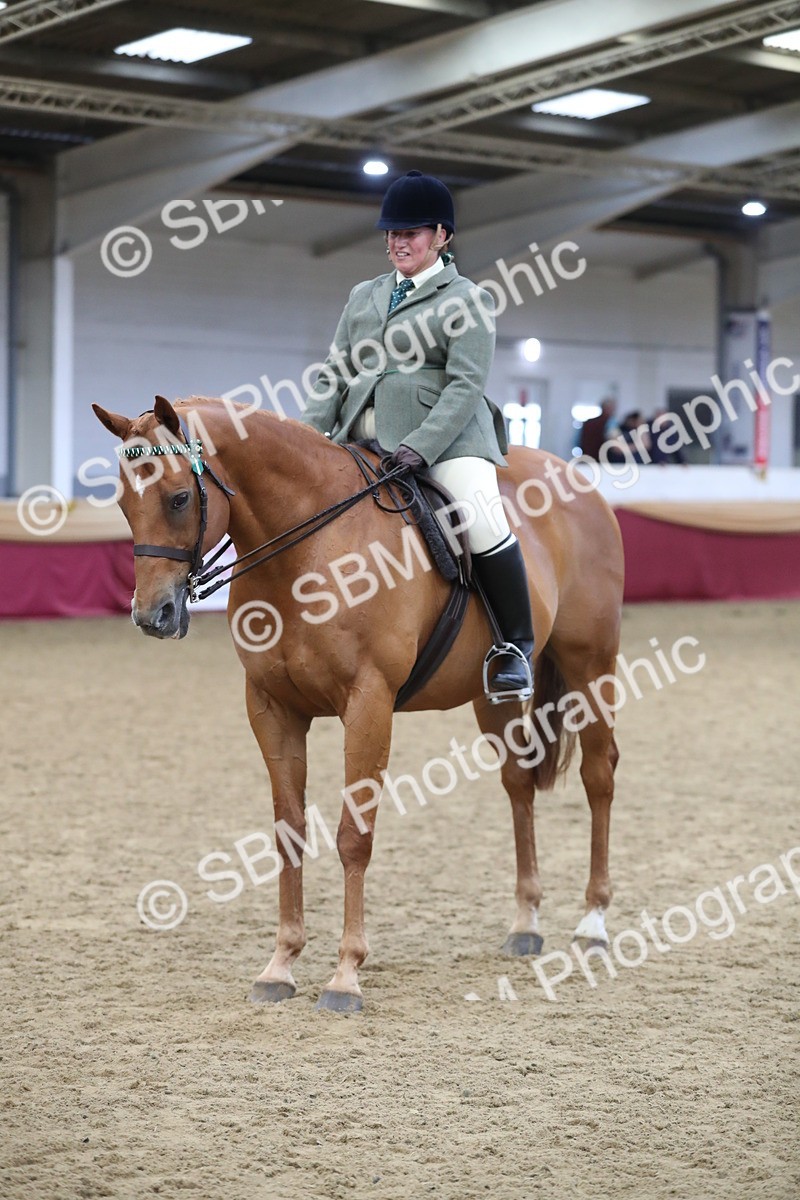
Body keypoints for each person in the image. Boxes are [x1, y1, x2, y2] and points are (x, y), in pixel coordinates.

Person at [300, 169, 533, 697]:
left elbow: (466, 384)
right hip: (359, 439)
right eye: (392, 233)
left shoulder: (467, 298)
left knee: (478, 514)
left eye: (411, 233)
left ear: (442, 236)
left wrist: (421, 446)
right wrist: (309, 442)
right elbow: (335, 373)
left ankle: (515, 647)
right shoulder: (365, 295)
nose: (398, 242)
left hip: (445, 440)